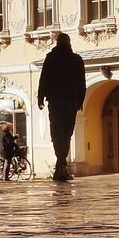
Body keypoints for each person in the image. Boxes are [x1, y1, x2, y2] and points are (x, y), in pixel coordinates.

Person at [37, 32, 85, 182]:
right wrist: (80, 101)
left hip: (56, 101)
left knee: (57, 134)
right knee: (66, 134)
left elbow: (44, 79)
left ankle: (61, 165)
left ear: (57, 43)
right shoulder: (76, 60)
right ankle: (62, 165)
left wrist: (40, 97)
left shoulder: (51, 58)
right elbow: (81, 84)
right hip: (71, 102)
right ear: (69, 43)